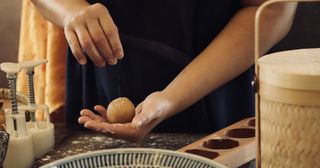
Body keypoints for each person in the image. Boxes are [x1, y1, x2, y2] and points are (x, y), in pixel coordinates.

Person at [31, 0, 297, 141]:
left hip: (214, 84)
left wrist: (171, 97)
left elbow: (271, 10)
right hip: (100, 76)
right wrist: (71, 12)